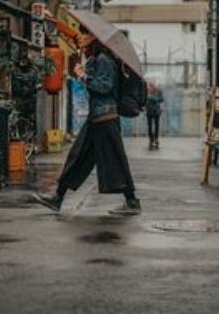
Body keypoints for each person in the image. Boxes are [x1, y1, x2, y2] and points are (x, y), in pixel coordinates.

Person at [33, 33, 141, 216]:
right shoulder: (96, 58)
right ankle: (58, 197)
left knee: (114, 160)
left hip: (106, 118)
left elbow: (104, 87)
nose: (81, 38)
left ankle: (132, 201)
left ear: (94, 38)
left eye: (85, 35)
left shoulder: (104, 59)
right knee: (77, 157)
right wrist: (85, 69)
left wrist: (83, 76)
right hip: (97, 118)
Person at [146, 82, 164, 150]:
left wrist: (153, 99)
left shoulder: (159, 91)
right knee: (150, 126)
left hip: (156, 111)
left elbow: (162, 99)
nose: (151, 86)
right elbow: (145, 100)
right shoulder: (147, 91)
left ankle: (156, 139)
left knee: (156, 125)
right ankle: (151, 139)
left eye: (152, 85)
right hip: (149, 111)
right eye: (150, 85)